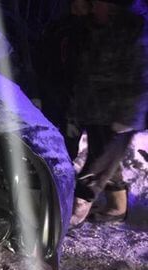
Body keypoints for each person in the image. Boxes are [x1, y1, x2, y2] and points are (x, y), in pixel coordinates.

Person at [69, 0, 148, 226]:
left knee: (97, 167)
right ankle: (117, 208)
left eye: (98, 4)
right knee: (105, 160)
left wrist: (130, 116)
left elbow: (142, 75)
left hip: (119, 113)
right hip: (96, 109)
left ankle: (74, 214)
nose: (93, 8)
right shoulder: (97, 28)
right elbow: (87, 71)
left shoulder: (134, 30)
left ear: (113, 6)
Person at [36, 0, 91, 161]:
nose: (78, 10)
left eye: (83, 6)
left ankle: (61, 167)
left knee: (67, 144)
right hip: (53, 92)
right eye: (75, 6)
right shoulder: (59, 28)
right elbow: (43, 59)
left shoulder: (92, 32)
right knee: (46, 137)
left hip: (74, 99)